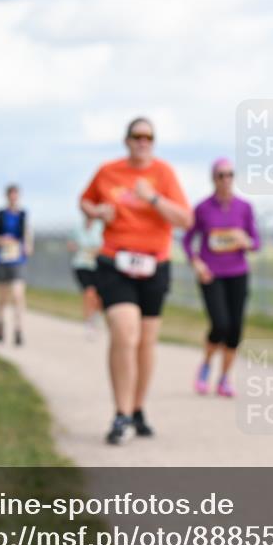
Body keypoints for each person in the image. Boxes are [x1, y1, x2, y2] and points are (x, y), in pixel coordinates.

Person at [79, 117, 192, 445]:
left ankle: (138, 408)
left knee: (145, 341)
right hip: (115, 261)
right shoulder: (108, 171)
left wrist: (153, 198)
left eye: (149, 137)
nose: (143, 142)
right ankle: (121, 414)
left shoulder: (164, 174)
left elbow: (185, 220)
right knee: (124, 332)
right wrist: (97, 212)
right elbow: (84, 201)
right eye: (137, 136)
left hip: (154, 265)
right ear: (126, 140)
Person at [182, 158, 259, 397]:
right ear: (213, 178)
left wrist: (245, 241)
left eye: (230, 175)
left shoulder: (244, 207)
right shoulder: (202, 208)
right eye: (221, 175)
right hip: (211, 274)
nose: (226, 180)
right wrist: (196, 262)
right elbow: (187, 240)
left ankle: (224, 378)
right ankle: (206, 365)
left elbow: (256, 242)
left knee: (235, 329)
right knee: (220, 324)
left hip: (237, 274)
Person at [0, 184, 32, 346]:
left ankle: (19, 329)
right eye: (11, 195)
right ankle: (0, 322)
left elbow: (27, 235)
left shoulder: (24, 215)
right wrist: (0, 240)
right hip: (2, 259)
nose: (14, 198)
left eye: (16, 195)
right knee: (3, 297)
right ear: (7, 196)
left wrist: (27, 246)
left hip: (18, 259)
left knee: (18, 295)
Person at [67, 211, 105, 338]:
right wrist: (75, 247)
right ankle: (88, 323)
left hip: (97, 265)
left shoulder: (101, 227)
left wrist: (97, 251)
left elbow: (105, 245)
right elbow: (70, 244)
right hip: (81, 264)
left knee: (99, 296)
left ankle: (97, 316)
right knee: (89, 292)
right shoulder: (77, 227)